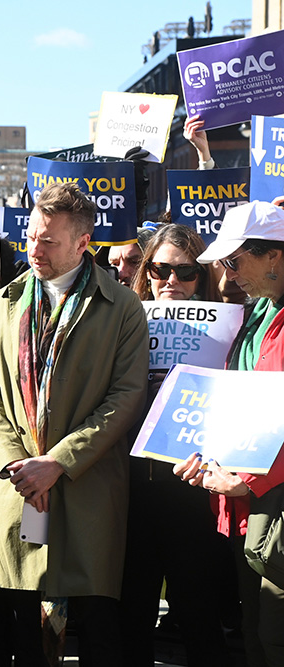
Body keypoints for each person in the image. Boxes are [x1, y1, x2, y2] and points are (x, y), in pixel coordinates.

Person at [0, 181, 149, 666]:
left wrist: (58, 463)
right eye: (30, 235)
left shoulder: (122, 308)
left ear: (82, 243)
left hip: (86, 487)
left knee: (98, 627)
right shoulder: (6, 302)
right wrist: (16, 463)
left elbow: (126, 396)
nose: (34, 248)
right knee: (23, 628)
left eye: (48, 240)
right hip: (20, 489)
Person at [173, 200, 284, 667]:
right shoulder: (256, 313)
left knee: (275, 637)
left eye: (235, 260)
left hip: (267, 500)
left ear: (274, 255)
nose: (227, 273)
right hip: (246, 506)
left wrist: (250, 480)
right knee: (259, 637)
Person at [119, 222, 232, 666]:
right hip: (129, 490)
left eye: (185, 273)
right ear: (145, 272)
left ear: (201, 278)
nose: (171, 281)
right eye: (161, 269)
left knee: (200, 618)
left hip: (194, 493)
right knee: (131, 616)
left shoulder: (226, 328)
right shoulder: (120, 322)